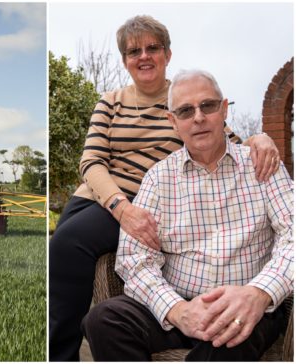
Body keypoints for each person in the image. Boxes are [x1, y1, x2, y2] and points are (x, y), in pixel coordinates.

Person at [48, 15, 281, 361]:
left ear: (167, 54)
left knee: (68, 245)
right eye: (133, 51)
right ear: (125, 60)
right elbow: (91, 162)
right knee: (63, 249)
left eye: (152, 48)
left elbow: (226, 140)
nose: (143, 56)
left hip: (151, 200)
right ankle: (59, 353)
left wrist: (261, 138)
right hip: (104, 198)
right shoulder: (111, 101)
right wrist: (121, 208)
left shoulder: (187, 99)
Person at [82, 69, 293, 361]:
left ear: (223, 109)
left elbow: (292, 234)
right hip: (180, 303)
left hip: (248, 307)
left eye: (207, 106)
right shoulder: (158, 178)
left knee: (227, 340)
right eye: (185, 110)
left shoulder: (261, 164)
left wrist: (259, 293)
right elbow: (134, 260)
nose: (198, 118)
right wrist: (177, 310)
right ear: (173, 122)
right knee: (103, 319)